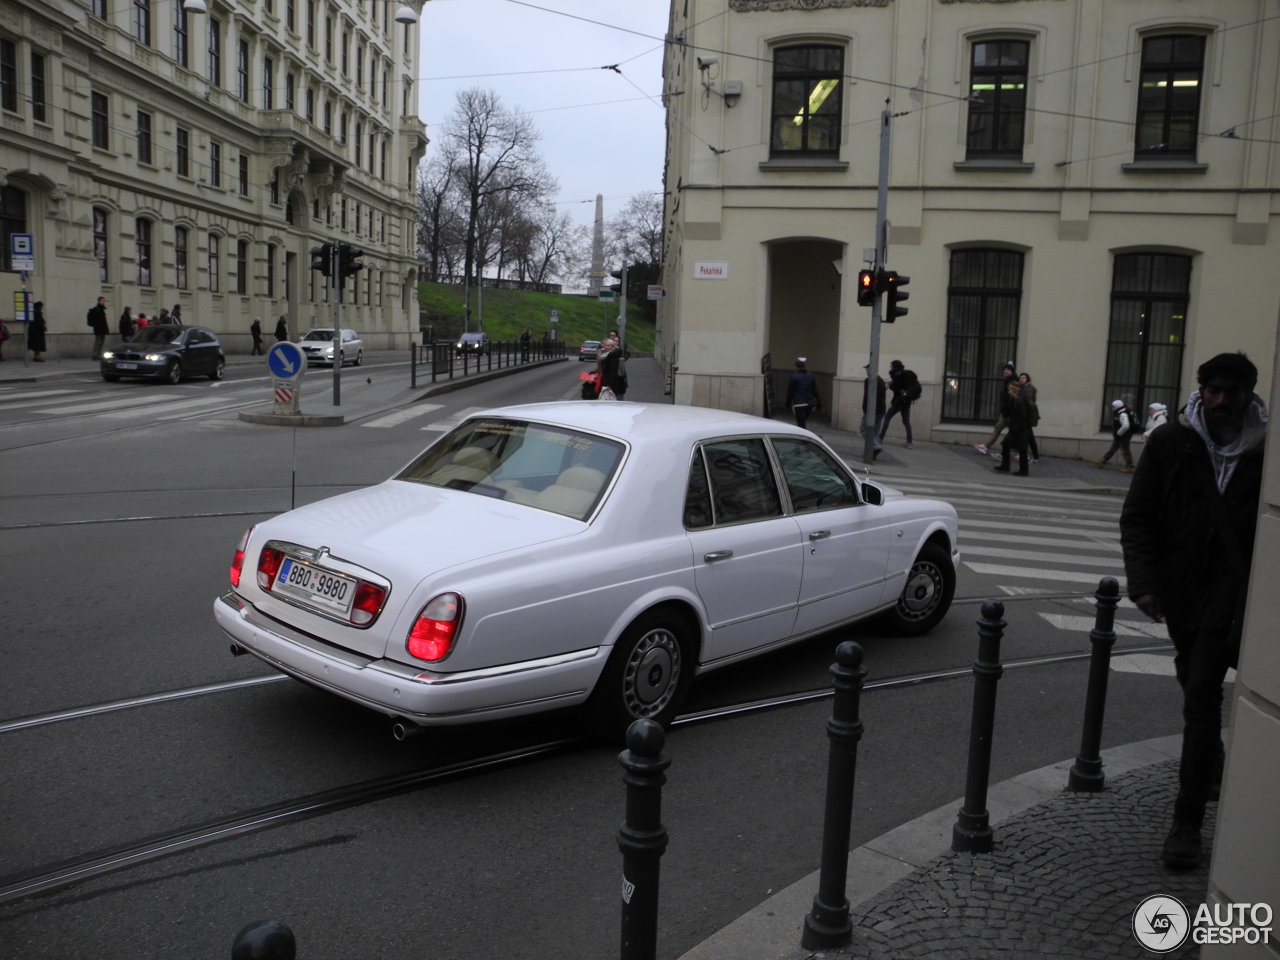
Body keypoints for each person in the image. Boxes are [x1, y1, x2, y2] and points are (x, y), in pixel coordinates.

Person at [1120, 352, 1266, 869]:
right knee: (1192, 680)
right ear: (1200, 391)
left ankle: (1186, 823)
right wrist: (1145, 582)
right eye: (1213, 391)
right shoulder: (1171, 442)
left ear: (1251, 392)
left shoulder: (1265, 450)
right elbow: (1137, 516)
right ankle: (1214, 763)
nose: (1222, 401)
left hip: (1232, 593)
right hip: (1182, 591)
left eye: (1232, 391)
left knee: (1201, 695)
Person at [974, 361, 1018, 454]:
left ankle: (1022, 454)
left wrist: (1010, 410)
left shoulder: (1013, 382)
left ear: (1012, 371)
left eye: (1008, 370)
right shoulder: (1007, 381)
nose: (1006, 371)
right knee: (998, 428)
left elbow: (1013, 398)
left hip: (1010, 413)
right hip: (1006, 412)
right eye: (1005, 370)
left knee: (1015, 433)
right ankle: (986, 446)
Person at [993, 379, 1032, 476]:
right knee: (1007, 445)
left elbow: (1023, 415)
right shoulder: (1015, 400)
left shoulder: (1020, 401)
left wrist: (1016, 426)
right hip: (1017, 428)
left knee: (1022, 450)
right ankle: (1006, 466)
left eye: (1011, 389)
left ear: (1015, 390)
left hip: (1020, 429)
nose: (1009, 391)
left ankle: (1023, 471)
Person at [879, 359, 920, 448]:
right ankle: (909, 442)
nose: (890, 368)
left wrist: (890, 385)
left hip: (899, 402)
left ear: (894, 367)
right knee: (906, 422)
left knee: (887, 417)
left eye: (891, 366)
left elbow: (896, 389)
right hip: (906, 402)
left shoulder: (897, 376)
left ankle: (880, 438)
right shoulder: (904, 374)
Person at [1094, 399, 1136, 472]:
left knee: (1125, 451)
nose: (1112, 408)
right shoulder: (1120, 412)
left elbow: (1126, 426)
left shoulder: (1123, 414)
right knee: (1113, 449)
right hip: (1120, 435)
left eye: (1113, 407)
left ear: (1117, 407)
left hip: (1124, 435)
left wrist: (1118, 433)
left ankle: (1130, 466)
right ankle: (1103, 461)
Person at [862, 363, 887, 459]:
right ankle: (873, 451)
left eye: (867, 369)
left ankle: (876, 447)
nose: (866, 371)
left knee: (864, 429)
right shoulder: (880, 380)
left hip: (872, 410)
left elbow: (869, 396)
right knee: (875, 431)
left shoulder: (869, 380)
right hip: (881, 409)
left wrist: (866, 410)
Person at [1017, 372, 1041, 462]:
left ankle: (1028, 456)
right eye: (1020, 378)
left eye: (1023, 378)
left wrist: (1027, 415)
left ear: (1027, 379)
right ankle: (1033, 456)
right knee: (1029, 437)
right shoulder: (1020, 388)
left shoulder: (1029, 389)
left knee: (1027, 437)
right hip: (1023, 416)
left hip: (1026, 416)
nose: (1021, 379)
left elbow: (1029, 402)